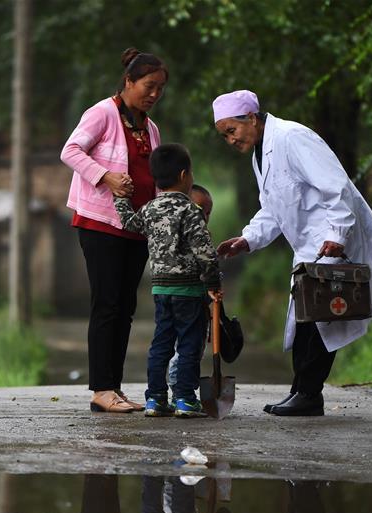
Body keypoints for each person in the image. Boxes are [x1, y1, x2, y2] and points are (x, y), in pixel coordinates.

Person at [212, 90, 372, 417]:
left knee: (319, 317)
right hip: (312, 245)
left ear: (252, 118)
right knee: (310, 317)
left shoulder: (293, 138)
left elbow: (336, 185)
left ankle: (308, 393)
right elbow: (274, 209)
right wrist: (248, 239)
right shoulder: (260, 154)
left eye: (232, 131)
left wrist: (338, 234)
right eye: (224, 136)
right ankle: (303, 391)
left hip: (329, 238)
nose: (230, 140)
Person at [60, 48, 168, 414]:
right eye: (148, 86)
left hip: (136, 227)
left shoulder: (150, 128)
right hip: (100, 222)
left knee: (125, 307)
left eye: (160, 89)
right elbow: (71, 150)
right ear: (128, 82)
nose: (153, 95)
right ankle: (100, 389)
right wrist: (104, 176)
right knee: (106, 303)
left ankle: (114, 389)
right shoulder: (103, 112)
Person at [113, 144, 222, 418]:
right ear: (185, 175)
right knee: (188, 344)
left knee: (161, 343)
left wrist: (121, 198)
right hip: (189, 290)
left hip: (161, 289)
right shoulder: (190, 210)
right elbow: (205, 252)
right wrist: (213, 283)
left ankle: (156, 399)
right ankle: (185, 399)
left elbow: (129, 223)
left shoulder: (150, 209)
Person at [167, 184, 213, 399]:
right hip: (188, 297)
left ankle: (184, 389)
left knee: (193, 348)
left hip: (195, 299)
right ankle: (181, 391)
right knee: (186, 347)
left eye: (207, 212)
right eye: (199, 209)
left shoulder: (201, 234)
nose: (204, 216)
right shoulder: (185, 237)